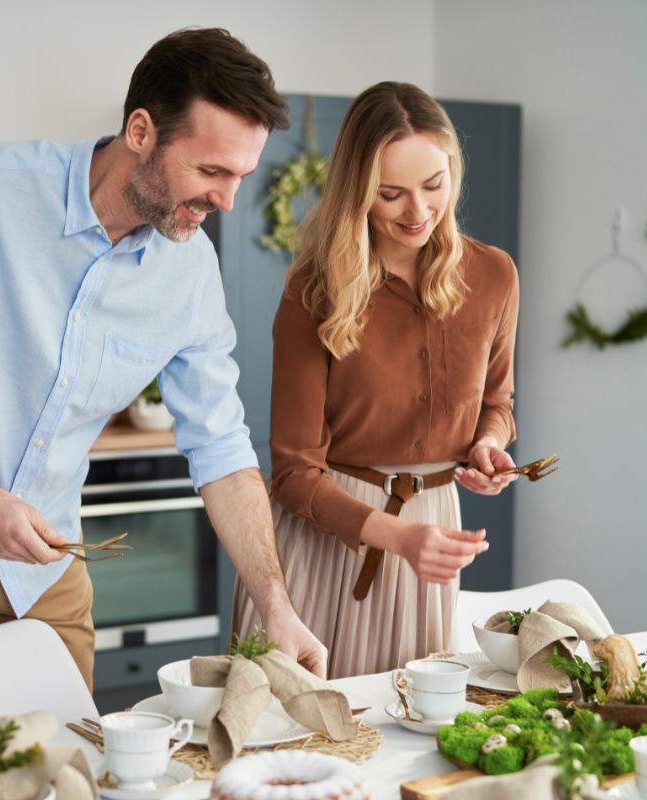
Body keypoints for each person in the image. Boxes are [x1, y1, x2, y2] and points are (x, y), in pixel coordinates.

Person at [0, 28, 328, 692]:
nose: (227, 200)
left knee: (69, 762)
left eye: (240, 176)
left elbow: (222, 445)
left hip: (47, 558)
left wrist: (276, 605)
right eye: (211, 171)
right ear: (142, 132)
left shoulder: (191, 272)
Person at [232, 82, 520, 678]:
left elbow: (498, 402)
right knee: (301, 751)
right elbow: (291, 471)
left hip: (433, 531)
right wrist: (397, 536)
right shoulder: (314, 290)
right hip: (326, 540)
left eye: (433, 187)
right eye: (391, 194)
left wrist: (489, 445)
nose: (417, 212)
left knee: (408, 737)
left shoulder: (493, 275)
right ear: (358, 192)